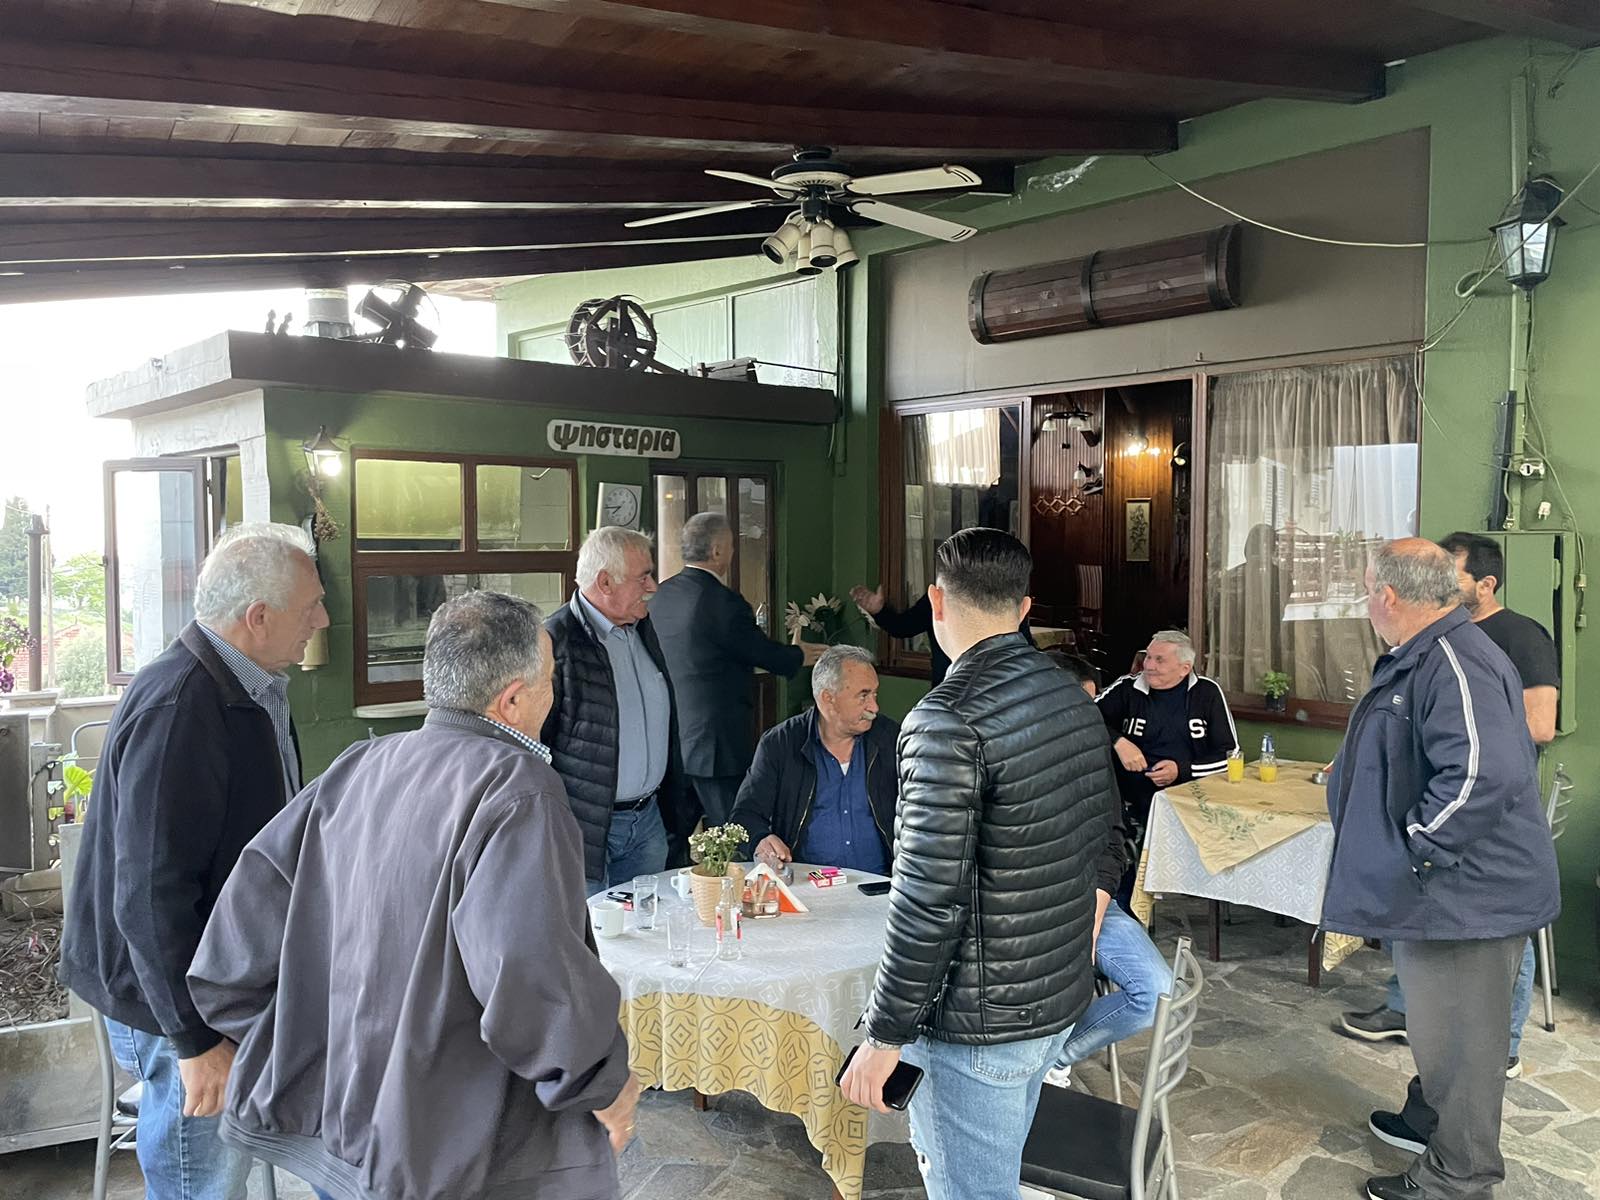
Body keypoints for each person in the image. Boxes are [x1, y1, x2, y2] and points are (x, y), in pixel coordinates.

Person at [187, 591, 641, 1200]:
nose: (553, 695)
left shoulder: (357, 765)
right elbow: (528, 972)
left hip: (347, 1130)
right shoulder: (518, 789)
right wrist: (600, 1083)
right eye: (550, 680)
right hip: (452, 1150)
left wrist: (300, 1045)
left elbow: (240, 929)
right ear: (512, 699)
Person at [839, 528, 1125, 1200]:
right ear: (1024, 609)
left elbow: (926, 902)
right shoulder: (1074, 697)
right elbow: (1109, 839)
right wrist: (1079, 939)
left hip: (977, 1024)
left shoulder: (944, 720)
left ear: (936, 602)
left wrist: (884, 1035)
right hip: (1053, 997)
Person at [60, 523, 329, 1200]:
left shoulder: (252, 686)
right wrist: (194, 1039)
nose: (322, 621)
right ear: (258, 617)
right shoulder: (181, 705)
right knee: (201, 1183)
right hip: (175, 998)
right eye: (312, 607)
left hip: (218, 980)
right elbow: (149, 894)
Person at [1323, 539, 1559, 1200]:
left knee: (1462, 1046)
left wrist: (1417, 849)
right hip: (1449, 891)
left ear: (1388, 595)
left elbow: (1484, 774)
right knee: (1441, 1030)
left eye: (1366, 590)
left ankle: (1458, 1178)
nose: (1366, 602)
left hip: (1464, 895)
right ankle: (1428, 1122)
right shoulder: (1433, 650)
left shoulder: (1453, 659)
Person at [1040, 649, 1174, 1089]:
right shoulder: (1008, 752)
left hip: (1091, 900)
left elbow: (1113, 842)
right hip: (1032, 906)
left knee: (1154, 990)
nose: (1089, 717)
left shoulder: (1092, 753)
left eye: (1091, 705)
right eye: (1081, 705)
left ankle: (1057, 1058)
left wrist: (1094, 916)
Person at [651, 511, 822, 827]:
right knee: (736, 833)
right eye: (731, 545)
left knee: (672, 840)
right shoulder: (722, 602)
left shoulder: (661, 595)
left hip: (672, 741)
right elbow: (758, 650)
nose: (732, 551)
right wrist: (798, 655)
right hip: (717, 745)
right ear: (717, 551)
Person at [543, 525, 686, 893]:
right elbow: (536, 747)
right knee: (594, 928)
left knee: (649, 924)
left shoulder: (640, 625)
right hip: (587, 833)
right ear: (605, 583)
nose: (653, 586)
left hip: (648, 822)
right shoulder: (554, 642)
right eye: (643, 577)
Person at [729, 644, 898, 875]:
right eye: (863, 695)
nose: (874, 707)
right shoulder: (780, 744)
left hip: (880, 884)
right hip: (806, 885)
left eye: (875, 694)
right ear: (828, 698)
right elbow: (744, 817)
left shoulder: (891, 739)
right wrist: (760, 839)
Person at [1095, 629, 1239, 826]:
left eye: (1159, 660)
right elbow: (1084, 718)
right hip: (1130, 800)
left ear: (1184, 668)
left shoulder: (1207, 693)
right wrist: (1118, 742)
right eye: (1148, 657)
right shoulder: (1127, 688)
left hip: (1191, 800)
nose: (1149, 666)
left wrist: (1182, 770)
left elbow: (1231, 755)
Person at [849, 580, 1033, 686]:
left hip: (997, 697)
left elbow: (1026, 652)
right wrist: (880, 611)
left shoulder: (1005, 601)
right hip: (946, 693)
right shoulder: (939, 598)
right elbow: (904, 627)